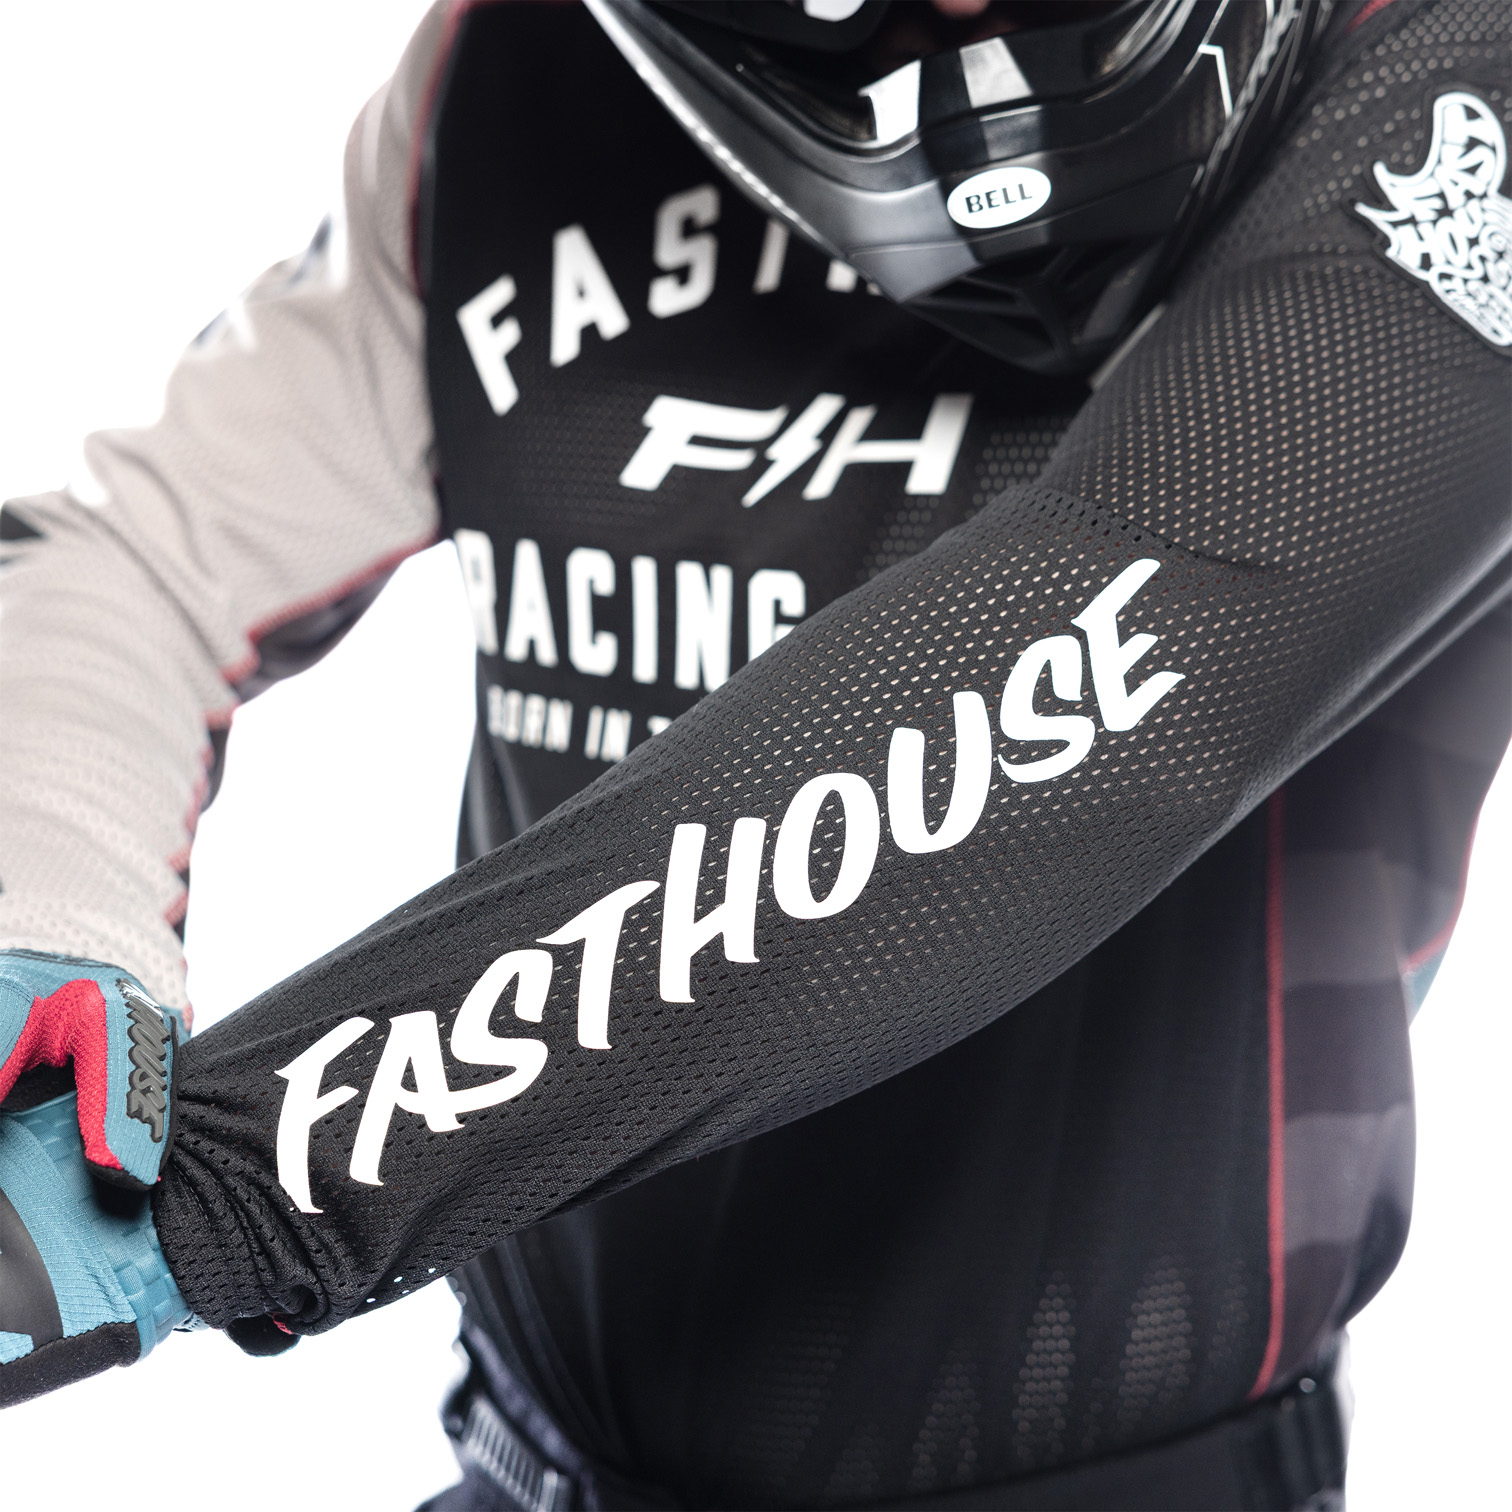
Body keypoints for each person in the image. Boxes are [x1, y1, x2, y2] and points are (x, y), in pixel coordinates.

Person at [1, 0, 1508, 1507]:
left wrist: (219, 1186)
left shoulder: (1451, 79)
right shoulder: (511, 71)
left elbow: (1104, 662)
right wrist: (52, 923)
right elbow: (140, 553)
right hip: (525, 1460)